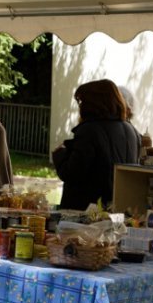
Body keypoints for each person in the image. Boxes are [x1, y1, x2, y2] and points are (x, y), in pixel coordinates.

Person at [52, 78, 140, 210]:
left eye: (82, 101)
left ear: (93, 103)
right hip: (117, 210)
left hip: (86, 212)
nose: (80, 106)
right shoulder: (132, 131)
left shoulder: (89, 130)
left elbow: (72, 173)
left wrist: (60, 154)